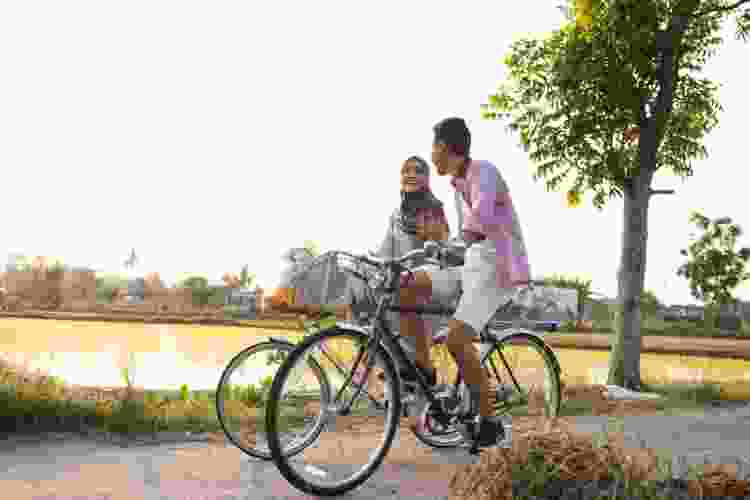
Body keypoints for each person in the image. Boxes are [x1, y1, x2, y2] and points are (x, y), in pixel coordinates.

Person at [398, 117, 532, 448]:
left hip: (496, 267)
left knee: (458, 340)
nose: (432, 157)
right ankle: (425, 369)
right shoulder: (457, 185)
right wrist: (440, 251)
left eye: (434, 149)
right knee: (407, 285)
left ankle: (490, 422)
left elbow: (482, 216)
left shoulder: (483, 171)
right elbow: (464, 242)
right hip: (471, 265)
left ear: (445, 148)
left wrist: (453, 243)